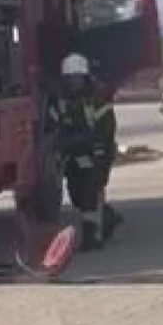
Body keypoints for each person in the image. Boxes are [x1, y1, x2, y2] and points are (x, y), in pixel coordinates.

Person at [49, 53, 123, 251]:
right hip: (73, 154)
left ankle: (92, 238)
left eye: (77, 78)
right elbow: (54, 126)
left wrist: (97, 152)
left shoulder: (97, 100)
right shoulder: (61, 101)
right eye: (70, 78)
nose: (73, 82)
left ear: (85, 78)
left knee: (90, 193)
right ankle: (109, 218)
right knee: (77, 195)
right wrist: (59, 145)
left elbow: (106, 130)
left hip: (97, 153)